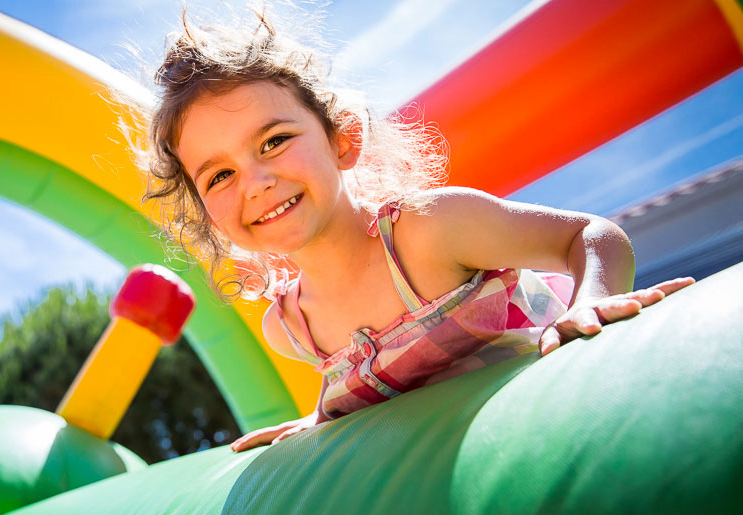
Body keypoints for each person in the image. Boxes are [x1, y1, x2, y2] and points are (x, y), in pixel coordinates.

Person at [141, 10, 694, 453]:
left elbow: (590, 236)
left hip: (564, 433)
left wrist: (593, 302)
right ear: (209, 213)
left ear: (343, 139)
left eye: (274, 141)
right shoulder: (291, 329)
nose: (256, 182)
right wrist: (320, 419)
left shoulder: (427, 231)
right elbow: (389, 388)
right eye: (220, 175)